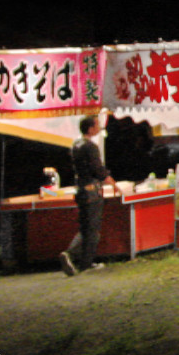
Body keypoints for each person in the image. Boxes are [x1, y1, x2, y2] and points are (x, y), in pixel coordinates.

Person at [60, 115, 115, 276]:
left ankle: (83, 262)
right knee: (92, 228)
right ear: (90, 129)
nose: (99, 128)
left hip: (81, 190)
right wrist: (110, 180)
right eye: (97, 125)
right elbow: (97, 169)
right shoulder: (90, 146)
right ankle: (75, 257)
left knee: (85, 226)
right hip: (92, 191)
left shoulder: (75, 145)